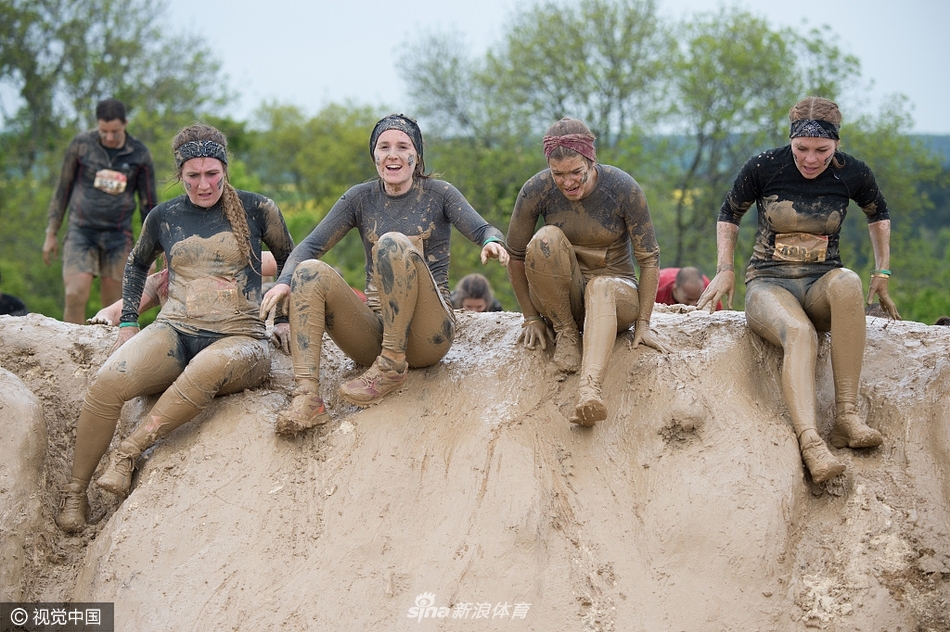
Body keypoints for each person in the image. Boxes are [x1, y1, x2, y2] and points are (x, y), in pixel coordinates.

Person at [55, 124, 295, 533]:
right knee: (107, 382)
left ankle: (129, 452)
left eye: (212, 174)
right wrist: (129, 321)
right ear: (180, 175)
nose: (204, 185)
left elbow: (291, 258)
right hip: (175, 330)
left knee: (205, 369)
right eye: (193, 176)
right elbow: (136, 265)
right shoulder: (164, 215)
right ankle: (75, 493)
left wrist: (285, 318)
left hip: (241, 339)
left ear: (225, 169)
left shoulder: (259, 209)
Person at [259, 114, 509, 435]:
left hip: (427, 334)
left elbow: (483, 227)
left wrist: (491, 241)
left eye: (402, 146)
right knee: (309, 271)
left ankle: (392, 365)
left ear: (416, 156)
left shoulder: (439, 193)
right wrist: (284, 281)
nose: (393, 154)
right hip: (372, 333)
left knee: (392, 242)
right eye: (384, 146)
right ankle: (308, 398)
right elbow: (311, 245)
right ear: (374, 156)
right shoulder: (360, 198)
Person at [697, 96, 900, 484]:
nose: (810, 159)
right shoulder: (764, 166)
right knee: (801, 333)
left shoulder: (853, 173)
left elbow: (879, 214)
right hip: (769, 283)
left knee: (849, 282)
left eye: (821, 150)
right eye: (802, 149)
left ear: (836, 144)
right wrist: (725, 268)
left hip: (820, 281)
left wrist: (883, 271)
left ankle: (846, 418)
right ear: (790, 141)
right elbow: (729, 213)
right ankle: (810, 443)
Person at [506, 117, 666, 427]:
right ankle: (567, 334)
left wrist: (644, 322)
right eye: (558, 174)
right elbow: (515, 256)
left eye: (576, 172)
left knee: (601, 287)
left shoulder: (622, 188)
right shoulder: (536, 190)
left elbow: (649, 258)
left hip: (616, 295)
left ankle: (589, 390)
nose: (568, 182)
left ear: (591, 162)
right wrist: (530, 316)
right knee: (543, 239)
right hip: (563, 297)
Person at [43, 98, 158, 324]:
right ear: (97, 125)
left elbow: (148, 204)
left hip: (118, 235)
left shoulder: (139, 154)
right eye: (104, 131)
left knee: (115, 303)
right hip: (81, 231)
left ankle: (109, 353)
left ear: (125, 123)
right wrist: (51, 232)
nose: (109, 137)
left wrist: (151, 250)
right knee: (75, 293)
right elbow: (63, 188)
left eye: (115, 131)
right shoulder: (82, 145)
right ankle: (70, 348)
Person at [87, 251, 278, 326]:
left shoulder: (233, 263)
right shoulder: (160, 281)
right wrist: (103, 319)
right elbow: (115, 311)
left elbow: (287, 261)